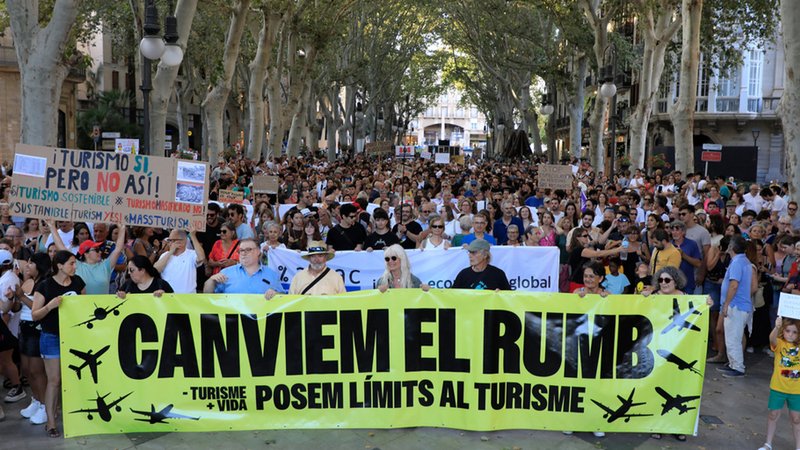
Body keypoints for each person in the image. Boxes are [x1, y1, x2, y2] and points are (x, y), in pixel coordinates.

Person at [31, 250, 86, 438]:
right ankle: (51, 422)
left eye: (75, 263)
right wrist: (50, 306)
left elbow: (86, 306)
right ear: (60, 265)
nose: (75, 266)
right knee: (54, 380)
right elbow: (35, 314)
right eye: (71, 263)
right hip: (52, 336)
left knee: (74, 378)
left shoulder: (78, 282)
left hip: (74, 336)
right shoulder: (45, 285)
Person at [15, 252, 51, 425]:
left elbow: (39, 308)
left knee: (37, 371)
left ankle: (46, 406)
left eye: (31, 263)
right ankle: (36, 400)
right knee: (27, 369)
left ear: (39, 265)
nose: (27, 265)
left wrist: (21, 297)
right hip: (24, 328)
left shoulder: (45, 283)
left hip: (37, 329)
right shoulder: (30, 281)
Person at [48, 219, 126, 295]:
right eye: (96, 250)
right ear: (86, 254)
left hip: (103, 307)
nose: (100, 252)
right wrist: (52, 226)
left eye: (99, 249)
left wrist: (122, 228)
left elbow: (118, 249)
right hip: (83, 307)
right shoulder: (77, 265)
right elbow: (61, 247)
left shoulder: (106, 265)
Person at [758, 316, 800, 450]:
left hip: (796, 390)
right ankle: (768, 443)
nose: (791, 334)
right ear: (783, 330)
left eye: (794, 332)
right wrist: (776, 327)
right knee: (773, 414)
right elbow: (771, 339)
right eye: (788, 331)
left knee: (796, 419)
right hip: (778, 387)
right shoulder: (780, 343)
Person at [718, 235, 756, 378]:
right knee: (734, 337)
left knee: (733, 338)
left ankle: (738, 367)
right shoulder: (744, 261)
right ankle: (734, 364)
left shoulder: (737, 263)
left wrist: (726, 304)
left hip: (736, 305)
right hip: (741, 305)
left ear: (732, 248)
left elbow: (734, 285)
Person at [203, 238, 284, 298]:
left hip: (261, 320)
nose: (243, 253)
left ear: (258, 251)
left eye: (248, 250)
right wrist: (211, 280)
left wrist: (276, 294)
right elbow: (207, 295)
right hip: (233, 320)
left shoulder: (271, 274)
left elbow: (283, 298)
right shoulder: (226, 272)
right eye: (241, 250)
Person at [154, 225, 207, 294]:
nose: (170, 243)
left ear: (183, 242)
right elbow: (155, 270)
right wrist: (170, 252)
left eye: (172, 240)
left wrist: (193, 236)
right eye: (169, 240)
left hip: (188, 298)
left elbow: (201, 258)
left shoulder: (191, 254)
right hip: (168, 298)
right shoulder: (165, 255)